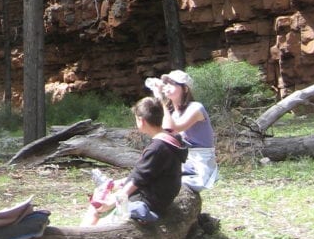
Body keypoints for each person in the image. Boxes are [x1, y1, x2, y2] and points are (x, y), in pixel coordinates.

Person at [82, 96, 188, 226]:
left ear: (141, 120)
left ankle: (83, 238)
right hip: (158, 199)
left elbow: (138, 179)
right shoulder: (173, 139)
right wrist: (115, 184)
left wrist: (112, 203)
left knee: (96, 211)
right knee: (99, 199)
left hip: (146, 204)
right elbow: (147, 173)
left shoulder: (157, 148)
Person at [150, 69, 218, 191]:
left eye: (173, 84)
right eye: (166, 84)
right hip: (182, 159)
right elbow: (163, 135)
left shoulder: (196, 108)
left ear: (185, 89)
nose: (167, 87)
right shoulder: (171, 112)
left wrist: (160, 100)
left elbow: (172, 128)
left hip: (199, 164)